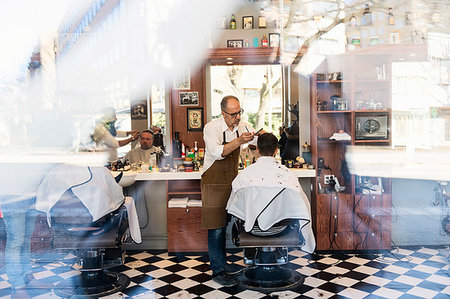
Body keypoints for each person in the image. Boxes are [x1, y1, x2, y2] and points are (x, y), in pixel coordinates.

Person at [201, 95, 262, 287]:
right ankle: (218, 270)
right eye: (233, 114)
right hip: (213, 182)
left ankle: (224, 264)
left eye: (239, 112)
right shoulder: (211, 128)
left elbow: (256, 137)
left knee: (226, 223)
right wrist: (239, 141)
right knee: (216, 228)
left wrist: (260, 136)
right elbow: (217, 153)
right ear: (223, 113)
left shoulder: (242, 126)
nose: (237, 117)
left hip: (231, 181)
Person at [228, 133, 315, 253]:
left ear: (257, 150)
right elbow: (303, 206)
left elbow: (232, 205)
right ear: (276, 151)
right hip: (281, 228)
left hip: (252, 228)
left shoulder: (244, 175)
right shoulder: (288, 176)